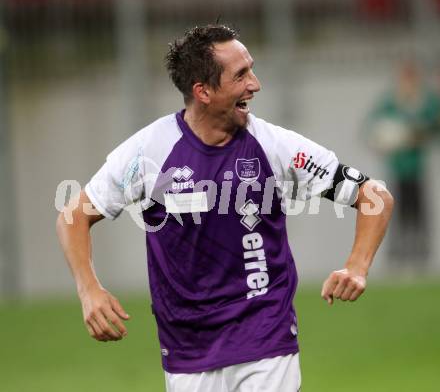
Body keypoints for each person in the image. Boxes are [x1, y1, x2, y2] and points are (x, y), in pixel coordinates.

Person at [56, 24, 394, 392]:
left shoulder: (274, 145)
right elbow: (74, 215)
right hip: (188, 350)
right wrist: (89, 289)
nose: (255, 84)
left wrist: (357, 266)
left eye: (251, 69)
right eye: (241, 75)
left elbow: (374, 196)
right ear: (203, 91)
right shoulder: (149, 152)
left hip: (265, 338)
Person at [364, 61, 440, 270]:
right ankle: (398, 258)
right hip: (397, 169)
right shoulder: (390, 104)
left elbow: (433, 125)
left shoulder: (425, 103)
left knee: (418, 214)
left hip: (416, 170)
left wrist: (417, 133)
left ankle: (420, 257)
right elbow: (372, 130)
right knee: (395, 213)